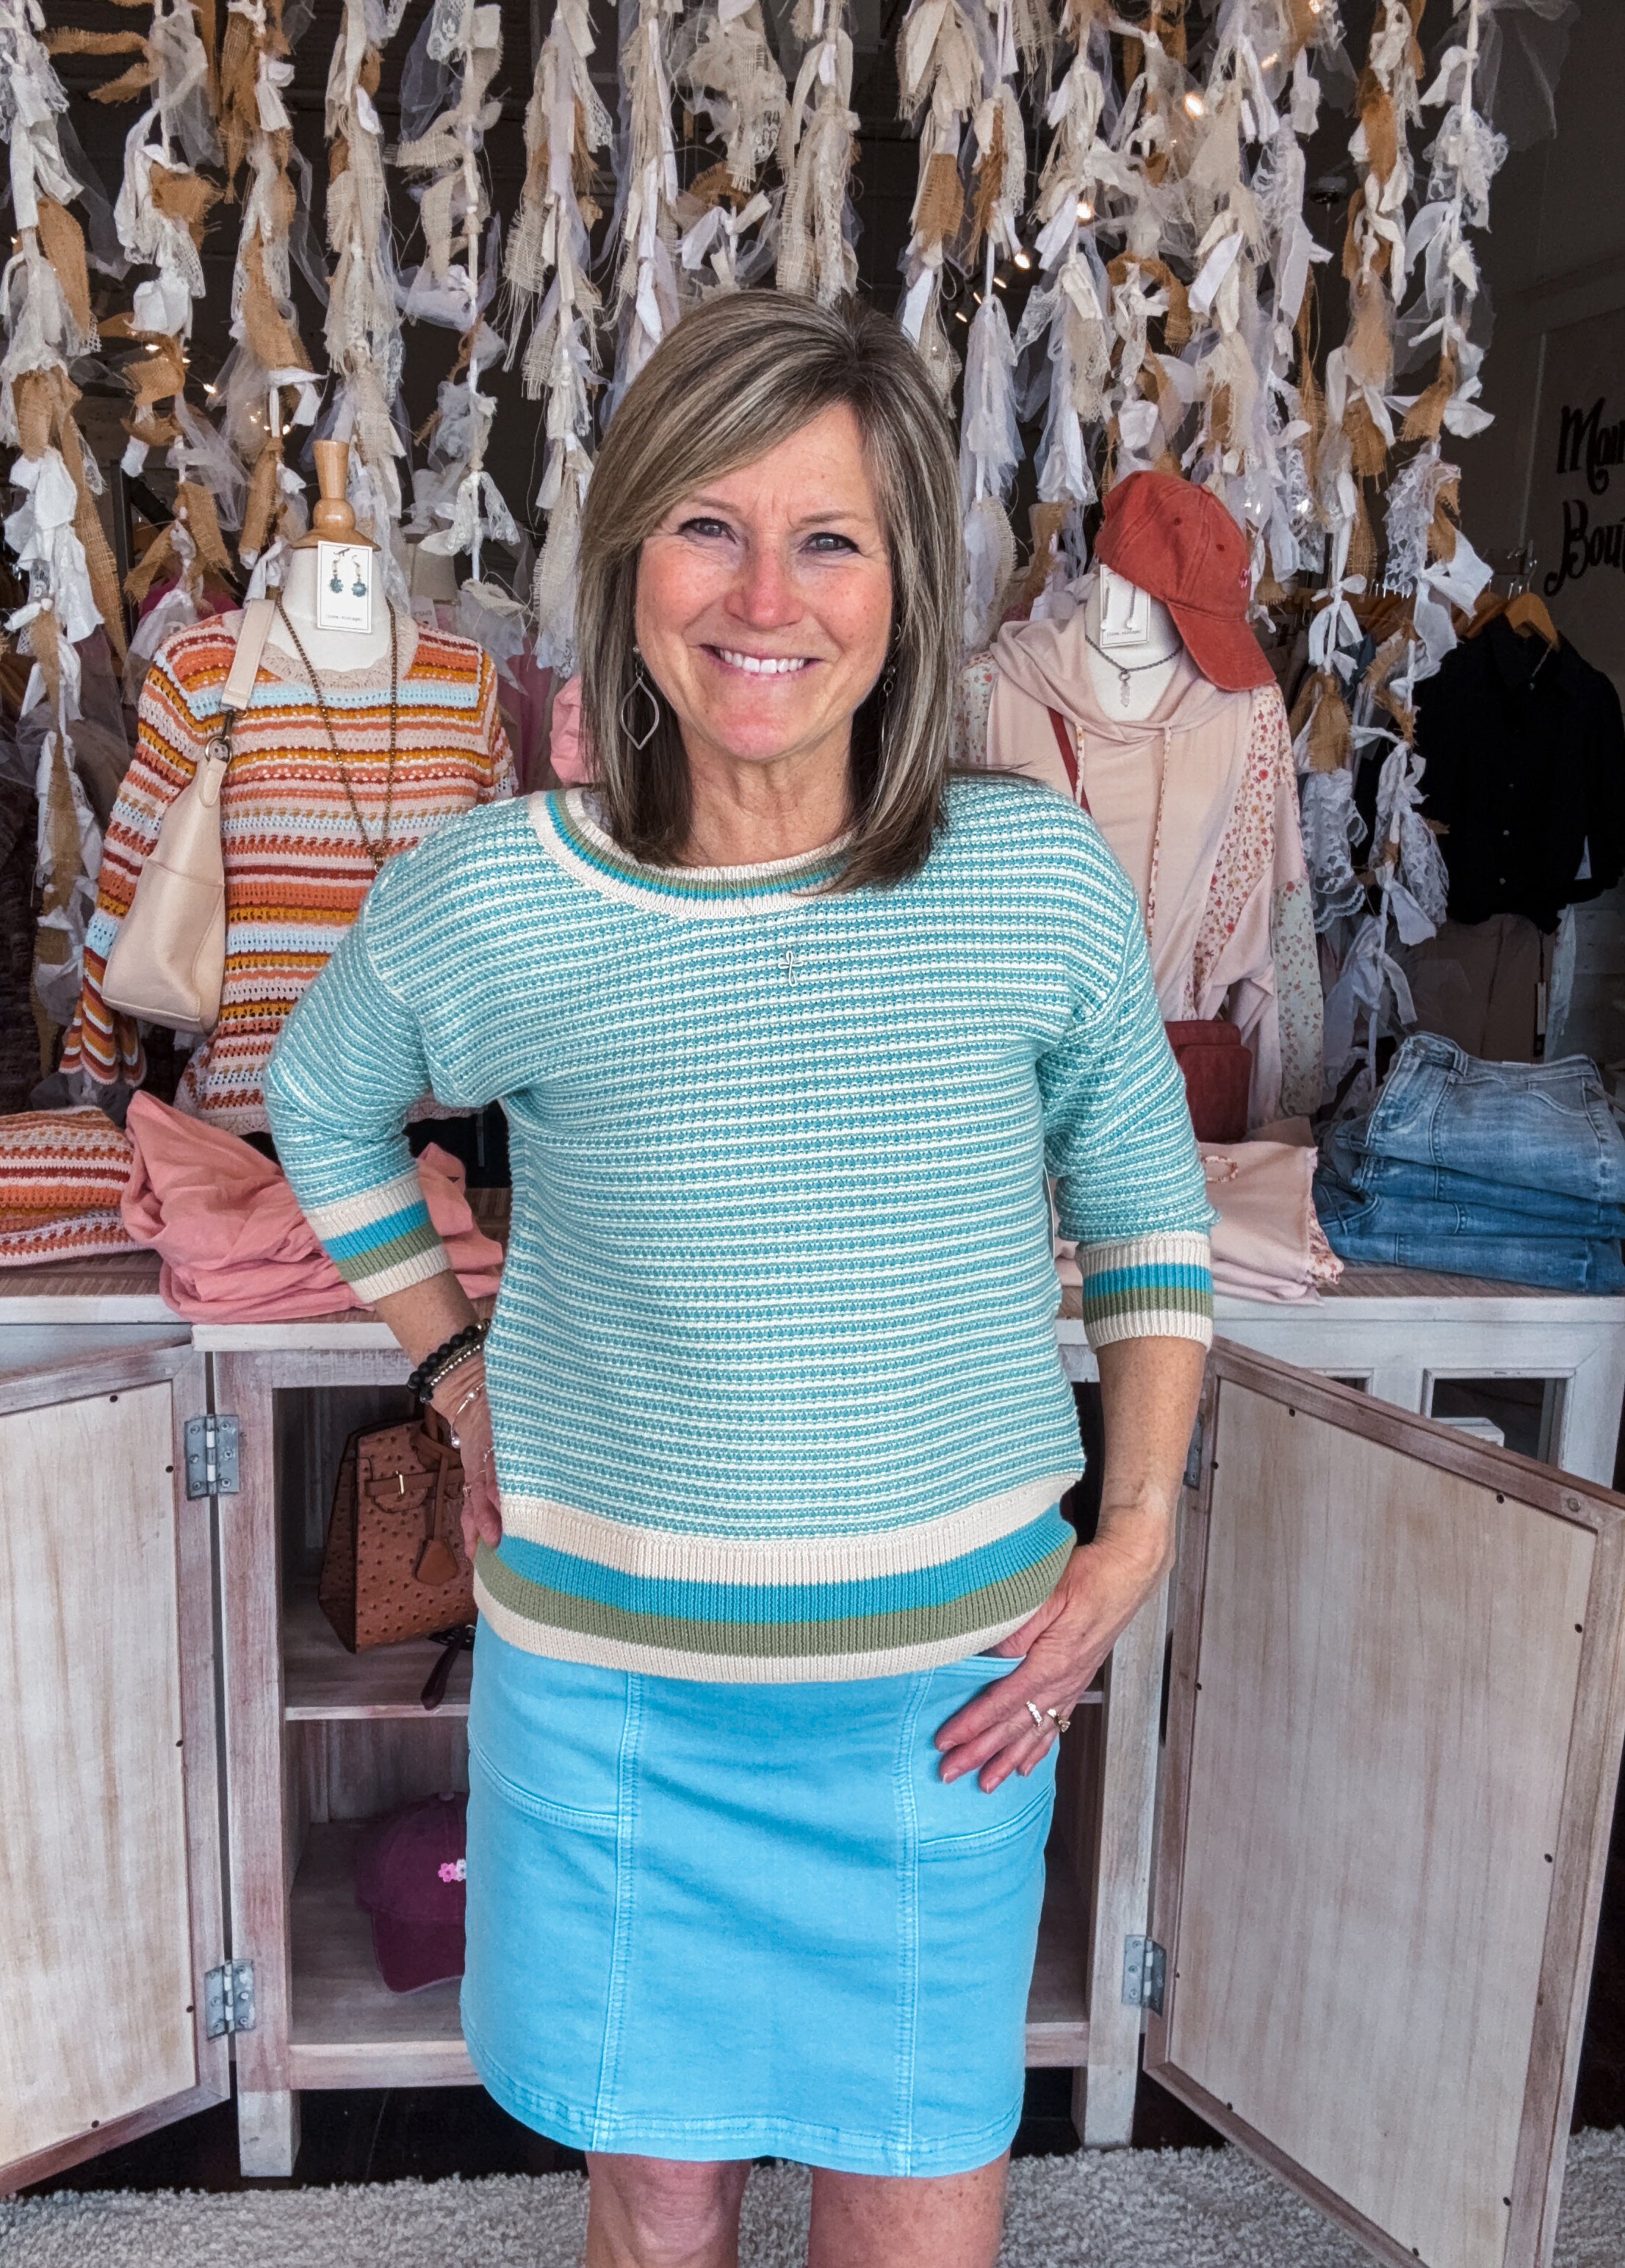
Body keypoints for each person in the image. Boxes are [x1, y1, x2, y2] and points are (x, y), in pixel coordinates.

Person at [266, 290, 1211, 2268]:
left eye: (829, 538)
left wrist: (1132, 1533)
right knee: (657, 2199)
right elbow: (322, 1106)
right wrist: (454, 1370)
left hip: (946, 1700)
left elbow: (1143, 1208)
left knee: (917, 2202)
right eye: (708, 524)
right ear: (628, 565)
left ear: (905, 585)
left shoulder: (1029, 879)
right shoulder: (497, 899)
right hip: (611, 1698)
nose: (765, 598)